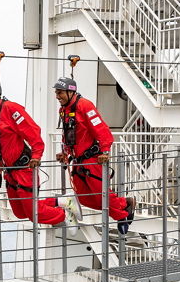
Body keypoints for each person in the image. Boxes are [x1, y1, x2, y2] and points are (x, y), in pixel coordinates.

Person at [0, 80, 78, 228]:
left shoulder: (11, 109)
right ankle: (63, 202)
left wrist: (36, 156)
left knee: (33, 213)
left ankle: (64, 214)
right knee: (20, 212)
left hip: (24, 169)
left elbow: (33, 132)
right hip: (10, 172)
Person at [53, 77, 136, 234]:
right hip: (77, 161)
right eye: (56, 93)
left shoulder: (85, 105)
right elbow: (67, 134)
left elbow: (101, 129)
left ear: (70, 92)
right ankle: (124, 204)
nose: (57, 96)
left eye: (60, 92)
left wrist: (105, 151)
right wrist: (64, 152)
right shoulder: (63, 110)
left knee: (102, 195)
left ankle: (122, 214)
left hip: (92, 159)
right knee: (83, 198)